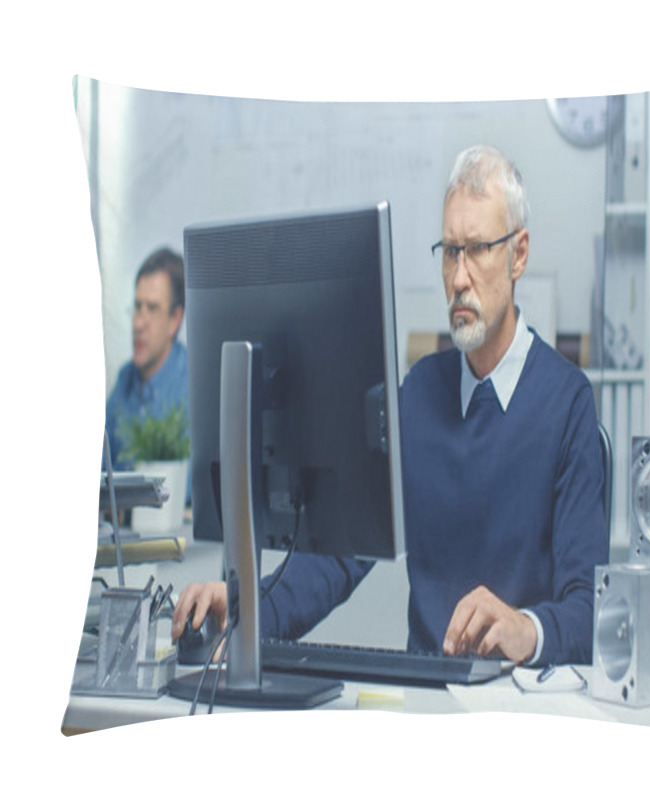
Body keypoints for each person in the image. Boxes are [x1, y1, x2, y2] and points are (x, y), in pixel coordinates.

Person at [173, 145, 608, 666]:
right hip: (426, 696)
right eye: (450, 252)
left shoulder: (567, 404)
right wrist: (246, 610)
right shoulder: (419, 395)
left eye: (478, 249)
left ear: (518, 255)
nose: (460, 278)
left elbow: (590, 613)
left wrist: (526, 630)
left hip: (522, 701)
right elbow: (338, 557)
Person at [104, 247, 189, 489]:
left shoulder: (194, 386)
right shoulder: (125, 380)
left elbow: (187, 485)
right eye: (137, 307)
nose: (139, 323)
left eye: (152, 309)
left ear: (175, 320)